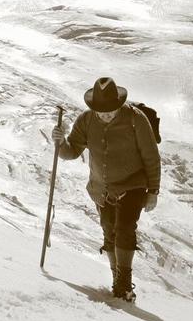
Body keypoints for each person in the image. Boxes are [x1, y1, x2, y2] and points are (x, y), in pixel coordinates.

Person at [51, 77, 161, 301]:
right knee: (109, 231)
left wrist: (153, 192)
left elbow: (151, 157)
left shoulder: (135, 119)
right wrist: (60, 143)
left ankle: (124, 284)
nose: (106, 114)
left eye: (110, 110)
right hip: (101, 188)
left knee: (125, 228)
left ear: (119, 104)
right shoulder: (86, 120)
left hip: (133, 185)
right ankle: (116, 279)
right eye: (101, 111)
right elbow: (71, 152)